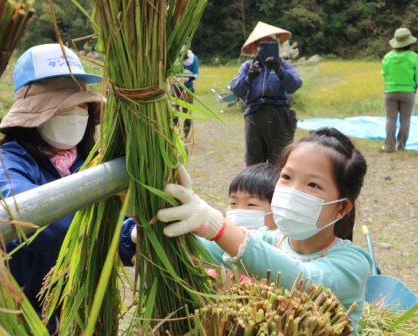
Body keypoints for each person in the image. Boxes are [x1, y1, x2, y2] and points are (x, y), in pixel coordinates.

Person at [156, 127, 372, 335]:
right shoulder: (268, 239)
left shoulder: (353, 262)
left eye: (313, 185)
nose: (293, 190)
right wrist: (159, 226)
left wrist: (213, 223)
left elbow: (305, 280)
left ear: (341, 207)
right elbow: (197, 251)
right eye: (287, 177)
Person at [0, 43, 137, 333]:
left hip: (73, 310)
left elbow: (107, 229)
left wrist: (132, 235)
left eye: (80, 103)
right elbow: (32, 221)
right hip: (19, 314)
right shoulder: (3, 165)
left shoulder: (89, 163)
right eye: (61, 105)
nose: (74, 111)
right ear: (33, 115)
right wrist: (113, 224)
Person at [230, 21, 302, 167]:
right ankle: (252, 189)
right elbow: (236, 90)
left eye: (271, 43)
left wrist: (279, 70)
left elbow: (294, 85)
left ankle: (277, 190)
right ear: (256, 46)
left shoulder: (284, 65)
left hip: (280, 115)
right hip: (255, 114)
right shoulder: (248, 66)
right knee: (253, 163)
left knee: (279, 162)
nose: (266, 46)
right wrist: (248, 78)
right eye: (262, 43)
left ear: (277, 45)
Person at [206, 163, 279, 282]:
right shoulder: (223, 254)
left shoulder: (280, 254)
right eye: (233, 204)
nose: (239, 211)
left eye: (251, 204)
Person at [381, 27, 418, 152]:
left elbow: (384, 74)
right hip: (408, 92)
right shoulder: (414, 57)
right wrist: (414, 87)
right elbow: (417, 76)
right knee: (405, 120)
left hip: (390, 92)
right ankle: (401, 146)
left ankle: (389, 146)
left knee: (390, 119)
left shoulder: (387, 57)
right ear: (410, 42)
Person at [172, 39, 199, 140]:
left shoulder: (193, 59)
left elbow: (196, 74)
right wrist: (175, 79)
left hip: (187, 89)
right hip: (175, 89)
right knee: (174, 113)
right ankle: (176, 134)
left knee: (187, 113)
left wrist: (187, 78)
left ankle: (185, 135)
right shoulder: (175, 59)